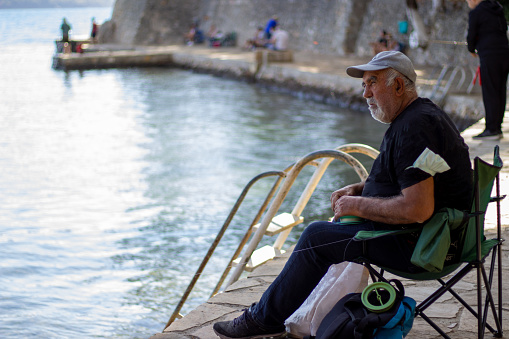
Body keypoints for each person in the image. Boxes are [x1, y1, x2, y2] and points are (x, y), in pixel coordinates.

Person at [213, 51, 473, 339]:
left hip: (423, 244)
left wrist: (357, 205)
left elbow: (417, 209)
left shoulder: (415, 128)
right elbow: (416, 180)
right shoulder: (420, 116)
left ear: (399, 86)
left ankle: (263, 320)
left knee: (316, 237)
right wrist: (360, 189)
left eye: (372, 83)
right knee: (328, 232)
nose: (365, 93)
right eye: (364, 85)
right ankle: (293, 314)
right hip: (438, 235)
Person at [466, 0, 509, 140]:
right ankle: (497, 127)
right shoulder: (498, 8)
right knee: (500, 91)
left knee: (490, 91)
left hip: (489, 55)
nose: (467, 2)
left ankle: (492, 129)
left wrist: (471, 49)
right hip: (504, 53)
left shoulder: (476, 12)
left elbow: (471, 35)